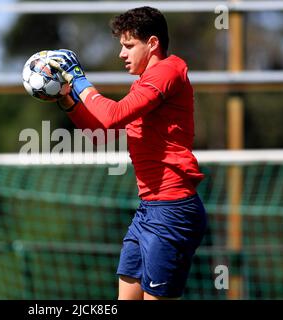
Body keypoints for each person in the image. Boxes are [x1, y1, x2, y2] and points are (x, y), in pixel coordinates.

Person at [46, 6, 207, 300]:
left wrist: (78, 78)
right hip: (149, 211)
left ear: (153, 43)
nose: (122, 53)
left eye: (129, 45)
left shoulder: (168, 71)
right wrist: (68, 100)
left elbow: (113, 115)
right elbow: (102, 135)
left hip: (173, 211)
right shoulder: (145, 84)